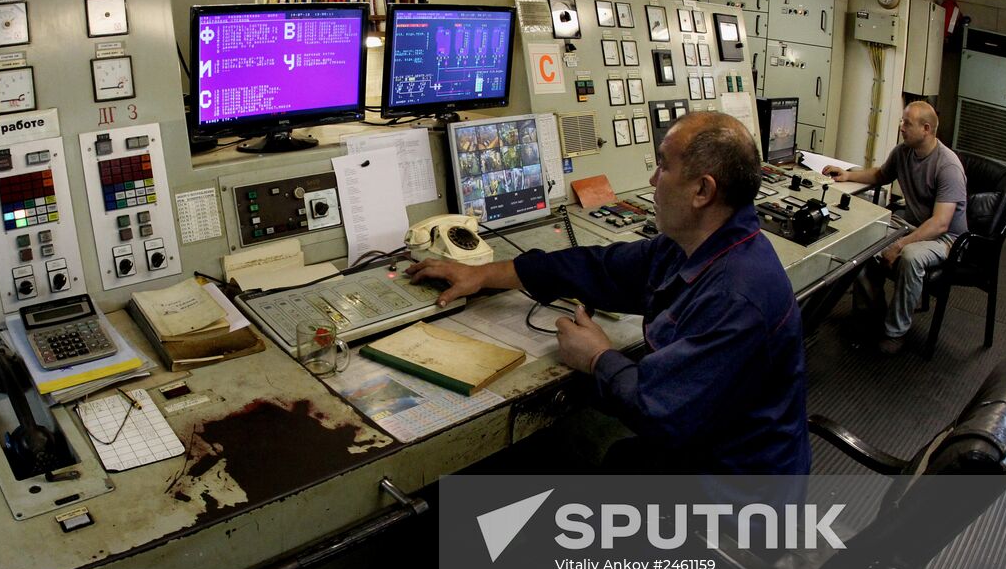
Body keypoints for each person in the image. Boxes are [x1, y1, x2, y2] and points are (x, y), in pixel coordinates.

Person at [407, 112, 810, 476]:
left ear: (702, 191)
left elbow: (660, 412)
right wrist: (484, 274)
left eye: (663, 166)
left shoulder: (734, 296)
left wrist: (597, 356)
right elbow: (600, 268)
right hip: (702, 449)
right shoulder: (694, 245)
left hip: (733, 493)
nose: (652, 180)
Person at [823, 101, 967, 355]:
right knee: (867, 241)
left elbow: (941, 223)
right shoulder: (904, 152)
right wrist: (847, 174)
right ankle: (869, 316)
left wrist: (900, 244)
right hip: (915, 226)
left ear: (926, 129)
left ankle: (895, 332)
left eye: (906, 123)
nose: (901, 127)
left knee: (910, 258)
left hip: (946, 239)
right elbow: (880, 175)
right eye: (902, 121)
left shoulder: (948, 166)